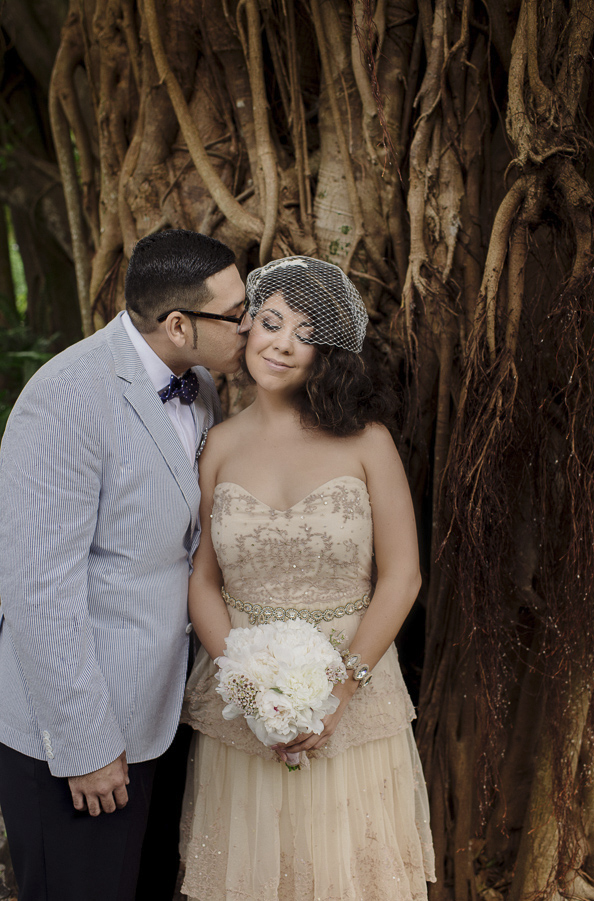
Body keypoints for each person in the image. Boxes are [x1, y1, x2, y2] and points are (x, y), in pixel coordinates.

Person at [0, 229, 250, 901]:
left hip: (163, 719)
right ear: (177, 324)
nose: (251, 325)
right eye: (237, 313)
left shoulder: (198, 383)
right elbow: (37, 591)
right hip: (82, 736)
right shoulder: (66, 398)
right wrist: (84, 744)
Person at [180, 255, 436, 900]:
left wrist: (338, 691)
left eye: (306, 334)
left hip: (355, 695)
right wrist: (248, 686)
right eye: (270, 322)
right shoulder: (219, 444)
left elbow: (402, 576)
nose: (283, 343)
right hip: (243, 703)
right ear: (247, 329)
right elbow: (202, 580)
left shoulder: (367, 441)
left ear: (328, 355)